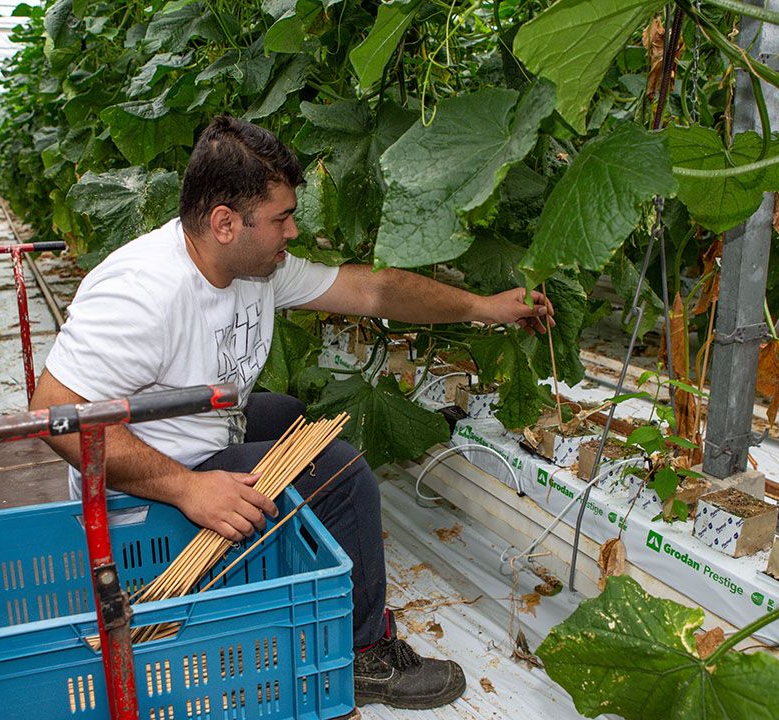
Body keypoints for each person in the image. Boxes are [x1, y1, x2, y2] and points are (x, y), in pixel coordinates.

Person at [31, 114, 554, 714]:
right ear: (225, 222)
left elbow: (374, 291)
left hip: (202, 433)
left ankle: (291, 576)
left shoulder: (251, 267)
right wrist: (187, 487)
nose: (294, 230)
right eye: (281, 218)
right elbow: (55, 414)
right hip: (146, 478)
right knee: (343, 475)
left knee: (288, 415)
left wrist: (482, 307)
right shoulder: (143, 292)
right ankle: (363, 655)